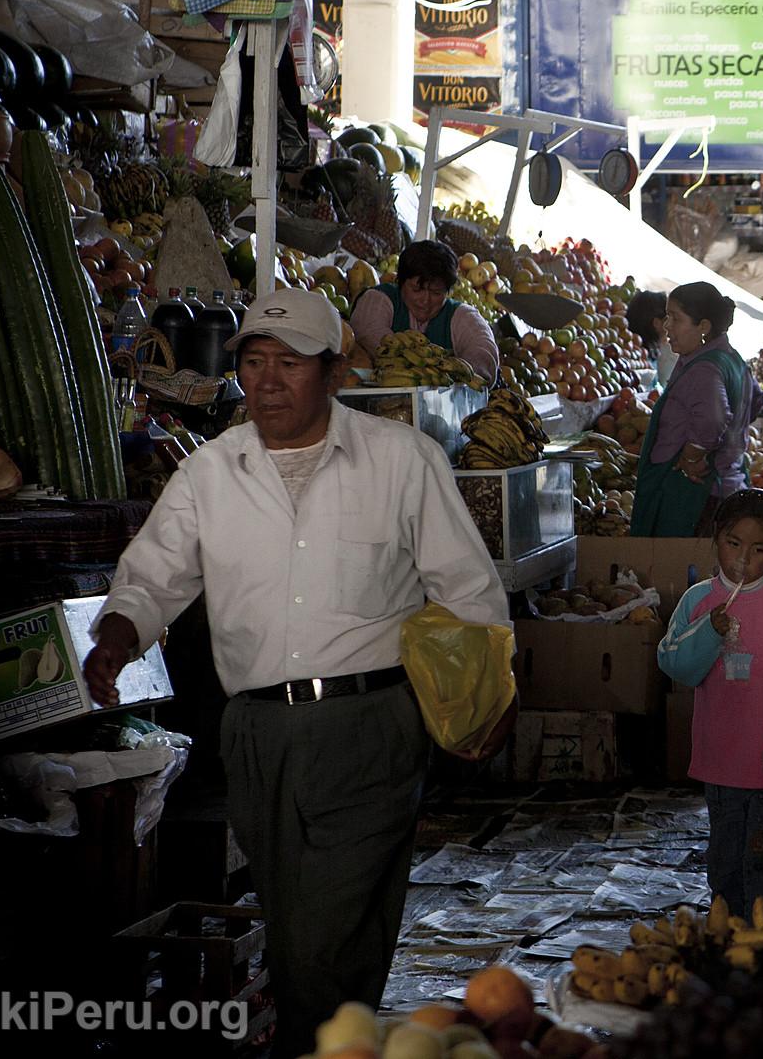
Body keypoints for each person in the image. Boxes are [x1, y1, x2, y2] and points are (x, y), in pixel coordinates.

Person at [80, 290, 508, 1059]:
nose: (267, 380)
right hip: (257, 736)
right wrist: (115, 638)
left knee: (322, 937)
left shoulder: (402, 461)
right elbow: (151, 577)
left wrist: (484, 704)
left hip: (370, 725)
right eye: (253, 362)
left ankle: (316, 1044)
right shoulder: (211, 473)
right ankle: (342, 1039)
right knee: (302, 927)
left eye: (289, 363)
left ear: (335, 372)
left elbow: (472, 596)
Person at [656, 490, 763, 914]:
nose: (743, 558)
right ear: (717, 539)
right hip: (721, 763)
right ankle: (727, 932)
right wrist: (708, 632)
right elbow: (677, 665)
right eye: (734, 544)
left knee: (762, 855)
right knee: (724, 857)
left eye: (759, 548)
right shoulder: (698, 602)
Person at [630, 281, 763, 537]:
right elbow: (756, 402)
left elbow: (713, 419)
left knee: (674, 571)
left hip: (690, 495)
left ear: (703, 326)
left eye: (675, 318)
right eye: (667, 316)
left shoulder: (704, 369)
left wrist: (693, 456)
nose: (666, 325)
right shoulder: (731, 358)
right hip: (728, 483)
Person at [351, 239, 500, 383]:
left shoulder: (463, 316)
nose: (425, 300)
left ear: (448, 292)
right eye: (417, 289)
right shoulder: (378, 299)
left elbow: (484, 354)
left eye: (436, 292)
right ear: (400, 282)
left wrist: (461, 372)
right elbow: (368, 335)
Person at [625, 287, 678, 386]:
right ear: (657, 323)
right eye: (670, 319)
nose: (672, 325)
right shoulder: (646, 362)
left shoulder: (633, 351)